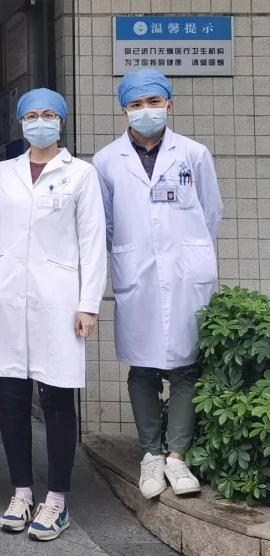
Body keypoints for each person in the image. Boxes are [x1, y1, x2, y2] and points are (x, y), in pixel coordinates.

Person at [0, 88, 107, 542]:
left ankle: (57, 499)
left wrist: (88, 303)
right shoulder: (5, 172)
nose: (39, 122)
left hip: (59, 300)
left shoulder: (81, 174)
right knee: (12, 399)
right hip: (6, 297)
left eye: (48, 114)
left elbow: (93, 241)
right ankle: (21, 491)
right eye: (31, 115)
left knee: (55, 399)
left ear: (62, 120)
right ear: (20, 122)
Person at [92, 69, 222, 500]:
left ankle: (176, 457)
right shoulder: (106, 161)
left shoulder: (194, 154)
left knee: (186, 365)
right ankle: (150, 454)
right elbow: (106, 223)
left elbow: (210, 213)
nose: (146, 110)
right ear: (123, 110)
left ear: (170, 104)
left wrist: (190, 253)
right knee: (142, 367)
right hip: (138, 273)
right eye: (136, 104)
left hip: (186, 272)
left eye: (154, 102)